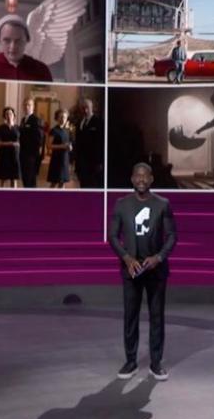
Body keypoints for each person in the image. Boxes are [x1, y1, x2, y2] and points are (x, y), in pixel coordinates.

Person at [108, 163, 177, 382]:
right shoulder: (121, 204)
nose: (141, 179)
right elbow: (112, 236)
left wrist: (159, 257)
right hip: (132, 269)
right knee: (131, 317)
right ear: (131, 179)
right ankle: (130, 361)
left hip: (155, 269)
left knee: (157, 317)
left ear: (151, 179)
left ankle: (156, 364)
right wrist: (127, 258)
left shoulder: (162, 204)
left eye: (145, 176)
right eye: (137, 176)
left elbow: (172, 236)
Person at [0, 14, 53, 82]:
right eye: (7, 40)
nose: (13, 46)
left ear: (27, 40)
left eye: (18, 41)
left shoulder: (41, 70)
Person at [75, 98, 104, 188]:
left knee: (93, 185)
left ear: (92, 107)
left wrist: (99, 161)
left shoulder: (98, 122)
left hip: (93, 162)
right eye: (83, 108)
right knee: (83, 185)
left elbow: (101, 142)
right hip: (81, 162)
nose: (85, 110)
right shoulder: (79, 122)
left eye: (87, 107)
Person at [19, 98, 45, 188]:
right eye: (25, 105)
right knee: (25, 179)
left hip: (31, 156)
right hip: (23, 154)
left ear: (33, 107)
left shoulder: (35, 120)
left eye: (29, 105)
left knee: (30, 180)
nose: (27, 107)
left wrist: (36, 155)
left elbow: (39, 138)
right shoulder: (23, 120)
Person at [0, 106, 21, 187]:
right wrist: (10, 143)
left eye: (10, 114)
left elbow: (21, 141)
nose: (9, 116)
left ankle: (14, 197)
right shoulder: (0, 128)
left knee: (14, 178)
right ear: (4, 116)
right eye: (7, 114)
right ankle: (2, 196)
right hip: (4, 155)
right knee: (3, 178)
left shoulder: (18, 128)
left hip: (15, 155)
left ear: (14, 115)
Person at [47, 109, 72, 188]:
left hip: (65, 159)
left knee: (63, 182)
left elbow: (68, 142)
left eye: (64, 117)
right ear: (57, 118)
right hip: (56, 159)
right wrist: (63, 146)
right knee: (54, 182)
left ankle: (60, 199)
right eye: (61, 117)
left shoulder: (67, 130)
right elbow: (49, 145)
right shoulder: (54, 130)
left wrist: (70, 147)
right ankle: (49, 199)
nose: (63, 119)